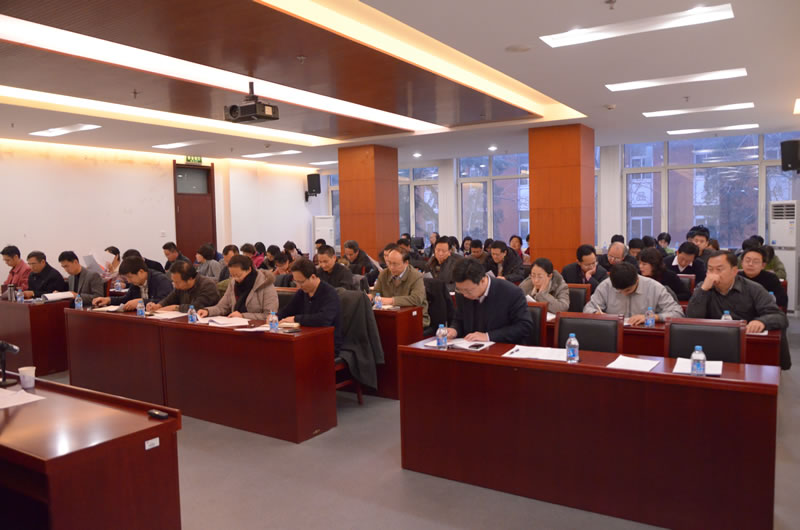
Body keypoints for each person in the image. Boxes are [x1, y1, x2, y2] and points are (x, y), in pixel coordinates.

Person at [687, 250, 789, 369]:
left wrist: (762, 321)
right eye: (710, 269)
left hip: (747, 346)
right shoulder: (704, 288)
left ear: (734, 271)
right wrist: (703, 290)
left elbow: (779, 317)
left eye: (719, 269)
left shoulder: (753, 289)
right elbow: (691, 318)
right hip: (712, 344)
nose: (713, 274)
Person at [444, 259, 532, 344]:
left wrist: (488, 336)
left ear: (482, 280)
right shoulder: (462, 292)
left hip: (502, 348)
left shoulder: (511, 292)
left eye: (468, 291)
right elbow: (459, 319)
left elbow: (524, 326)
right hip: (470, 347)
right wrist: (454, 330)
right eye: (460, 290)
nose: (464, 295)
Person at [584, 262, 684, 324]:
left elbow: (678, 313)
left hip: (645, 335)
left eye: (628, 290)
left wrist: (652, 317)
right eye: (619, 291)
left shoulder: (654, 287)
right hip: (612, 334)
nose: (624, 294)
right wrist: (596, 313)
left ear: (637, 280)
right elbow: (587, 309)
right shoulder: (606, 285)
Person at [278, 258, 343, 353]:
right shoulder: (302, 292)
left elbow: (323, 319)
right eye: (296, 282)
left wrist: (296, 319)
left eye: (301, 282)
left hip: (327, 342)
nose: (299, 286)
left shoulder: (329, 293)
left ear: (313, 277)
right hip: (306, 338)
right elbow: (287, 310)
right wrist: (275, 317)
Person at [197, 255, 277, 320]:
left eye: (238, 275)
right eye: (232, 276)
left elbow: (269, 315)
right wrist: (207, 311)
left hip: (257, 329)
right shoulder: (233, 283)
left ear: (249, 270)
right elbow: (222, 307)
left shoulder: (265, 284)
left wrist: (243, 316)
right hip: (235, 325)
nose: (235, 279)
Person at [372, 244, 430, 327]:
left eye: (395, 264)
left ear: (406, 263)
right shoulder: (384, 274)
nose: (391, 267)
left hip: (414, 317)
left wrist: (392, 301)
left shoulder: (415, 276)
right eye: (389, 263)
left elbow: (416, 299)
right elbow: (375, 293)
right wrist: (372, 297)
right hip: (390, 316)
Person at [92, 257, 172, 311]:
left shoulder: (161, 280)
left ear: (141, 272)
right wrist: (108, 300)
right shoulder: (135, 282)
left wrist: (141, 301)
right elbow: (126, 299)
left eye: (129, 277)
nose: (128, 281)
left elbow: (165, 301)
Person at [147, 260, 220, 313]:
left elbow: (196, 307)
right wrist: (158, 306)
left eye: (177, 282)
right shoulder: (180, 287)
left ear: (190, 279)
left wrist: (175, 308)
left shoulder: (207, 285)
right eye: (173, 281)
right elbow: (169, 299)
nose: (175, 285)